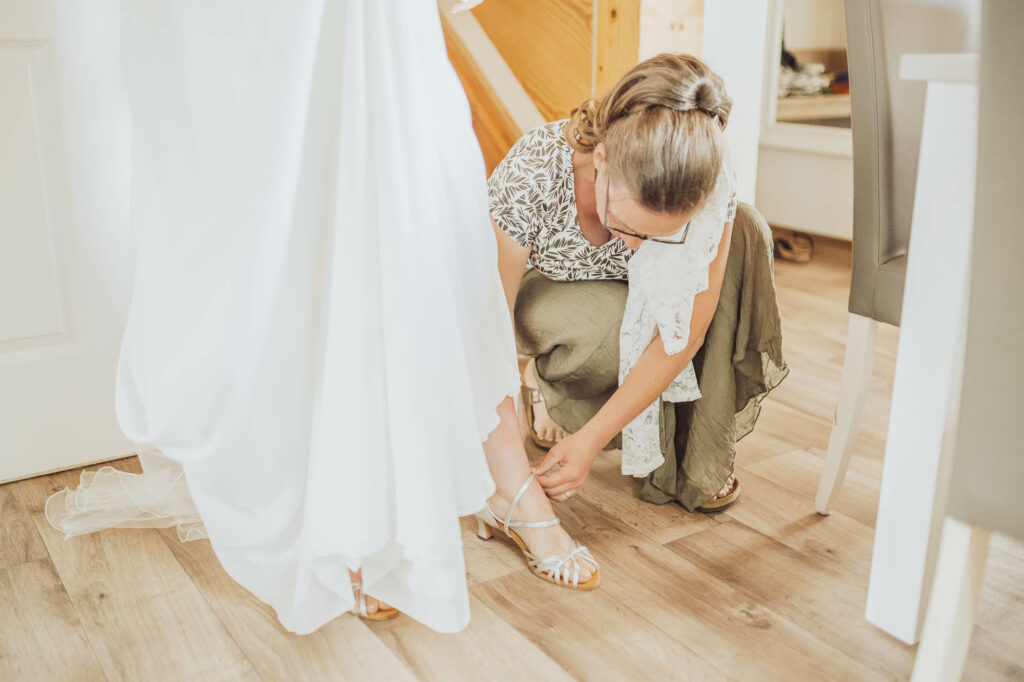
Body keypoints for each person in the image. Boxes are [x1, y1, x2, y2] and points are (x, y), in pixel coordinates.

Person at [45, 0, 597, 635]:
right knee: (310, 260)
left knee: (433, 253)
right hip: (282, 37)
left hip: (389, 40)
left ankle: (507, 487)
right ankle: (341, 515)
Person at [487, 53, 785, 512]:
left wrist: (588, 441)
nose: (634, 247)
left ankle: (692, 447)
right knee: (609, 328)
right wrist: (503, 449)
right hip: (545, 288)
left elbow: (686, 335)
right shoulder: (534, 171)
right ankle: (542, 382)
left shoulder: (708, 176)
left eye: (657, 236)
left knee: (746, 228)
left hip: (642, 296)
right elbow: (489, 323)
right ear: (601, 159)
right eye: (626, 226)